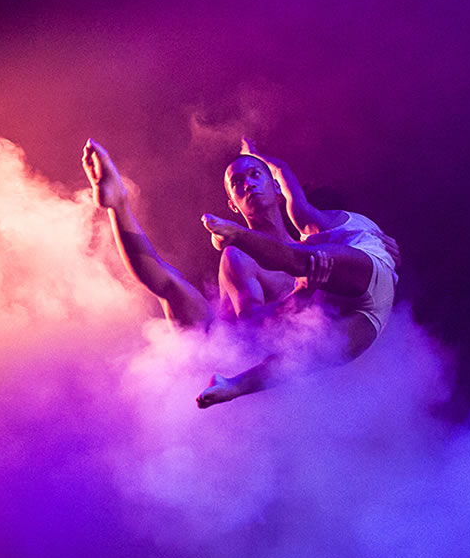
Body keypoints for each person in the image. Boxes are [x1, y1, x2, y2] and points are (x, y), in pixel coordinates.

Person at [81, 137, 398, 407]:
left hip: (288, 378)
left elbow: (362, 283)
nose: (248, 183)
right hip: (226, 352)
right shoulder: (239, 257)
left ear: (276, 188)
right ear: (233, 205)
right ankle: (117, 203)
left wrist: (382, 250)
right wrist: (302, 295)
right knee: (173, 288)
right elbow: (250, 328)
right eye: (237, 183)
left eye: (255, 174)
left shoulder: (313, 242)